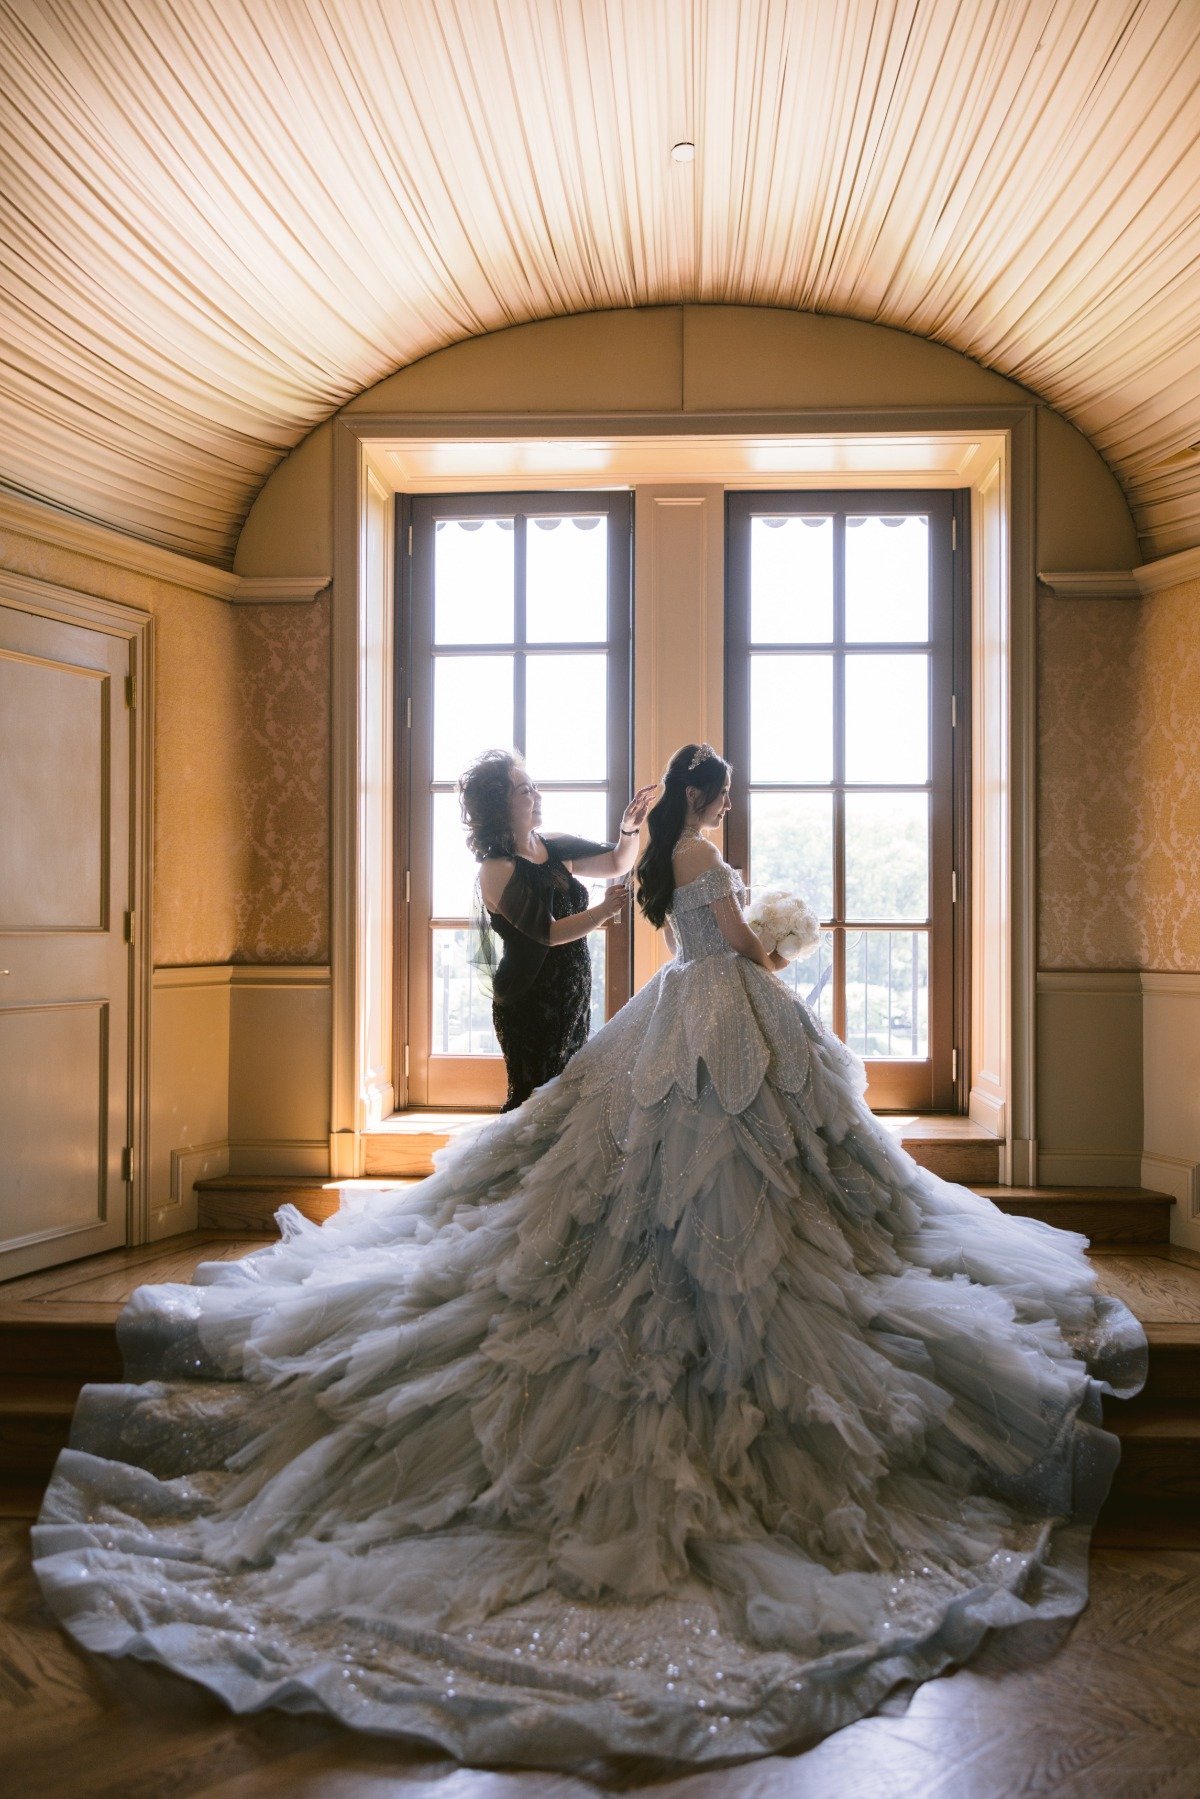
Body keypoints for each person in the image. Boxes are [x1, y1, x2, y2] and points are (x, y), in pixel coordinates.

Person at [33, 741, 1146, 1768]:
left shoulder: (659, 848)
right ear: (714, 794)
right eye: (725, 790)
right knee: (710, 1159)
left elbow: (640, 885)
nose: (724, 804)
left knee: (662, 1151)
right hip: (710, 1010)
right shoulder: (669, 851)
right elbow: (732, 944)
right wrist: (783, 940)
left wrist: (638, 852)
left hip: (670, 1008)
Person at [459, 750, 654, 1110]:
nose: (537, 796)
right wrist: (603, 911)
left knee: (566, 1101)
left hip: (571, 989)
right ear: (499, 806)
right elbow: (546, 933)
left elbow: (616, 861)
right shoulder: (497, 868)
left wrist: (629, 828)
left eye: (533, 788)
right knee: (534, 1103)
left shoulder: (551, 845)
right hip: (531, 998)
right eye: (525, 791)